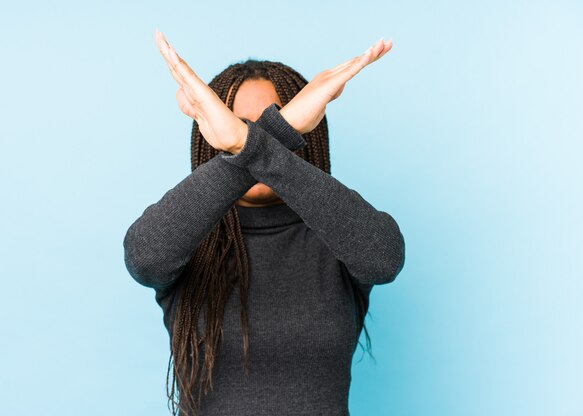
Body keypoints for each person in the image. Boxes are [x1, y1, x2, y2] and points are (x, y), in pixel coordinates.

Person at [123, 29, 405, 416]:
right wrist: (274, 134)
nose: (251, 140)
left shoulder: (336, 229)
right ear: (210, 137)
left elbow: (383, 258)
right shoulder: (189, 234)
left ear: (308, 135)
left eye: (276, 126)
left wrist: (243, 143)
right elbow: (144, 257)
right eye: (237, 127)